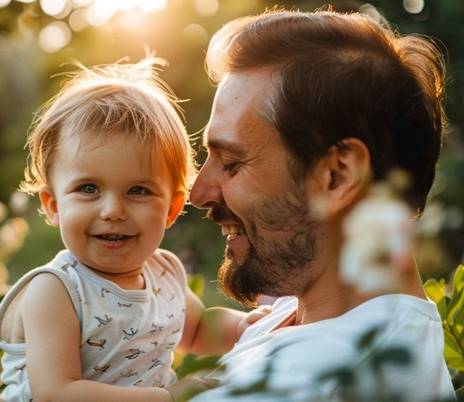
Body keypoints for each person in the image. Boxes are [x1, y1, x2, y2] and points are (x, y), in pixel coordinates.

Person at [184, 8, 456, 402]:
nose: (199, 193)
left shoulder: (303, 382)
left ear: (337, 175)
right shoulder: (326, 321)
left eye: (232, 163)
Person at [0, 57, 268, 402]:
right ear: (54, 206)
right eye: (88, 189)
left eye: (138, 190)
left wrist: (244, 329)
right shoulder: (57, 290)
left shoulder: (164, 272)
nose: (112, 211)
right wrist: (167, 397)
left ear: (170, 208)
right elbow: (56, 393)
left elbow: (196, 327)